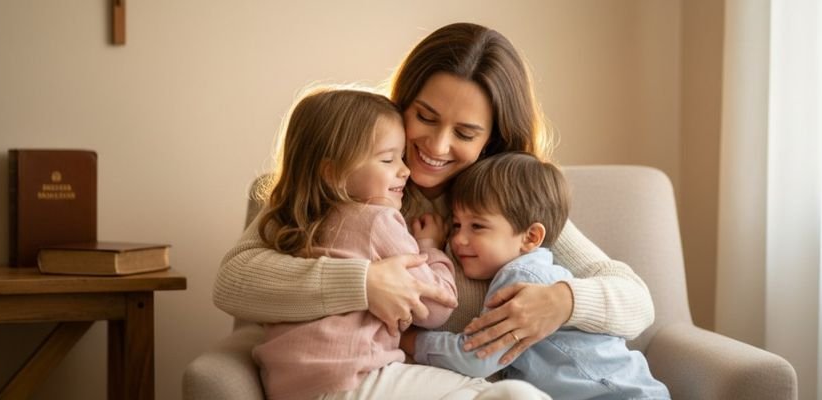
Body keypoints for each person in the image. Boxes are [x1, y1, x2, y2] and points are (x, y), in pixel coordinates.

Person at [215, 21, 654, 380]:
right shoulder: (345, 183)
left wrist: (563, 301)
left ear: (492, 141)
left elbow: (636, 300)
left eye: (465, 133)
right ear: (402, 103)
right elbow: (234, 281)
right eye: (425, 117)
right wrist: (362, 284)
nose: (437, 146)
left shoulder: (507, 202)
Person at [251, 88, 550, 400]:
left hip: (286, 385)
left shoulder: (294, 222)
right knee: (507, 395)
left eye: (464, 132)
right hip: (353, 377)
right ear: (333, 173)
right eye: (387, 159)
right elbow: (436, 306)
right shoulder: (378, 219)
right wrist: (429, 245)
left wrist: (567, 300)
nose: (404, 170)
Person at [399, 152, 670, 400]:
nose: (458, 239)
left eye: (477, 226)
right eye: (456, 225)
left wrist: (411, 341)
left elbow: (478, 356)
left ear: (531, 237)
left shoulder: (520, 277)